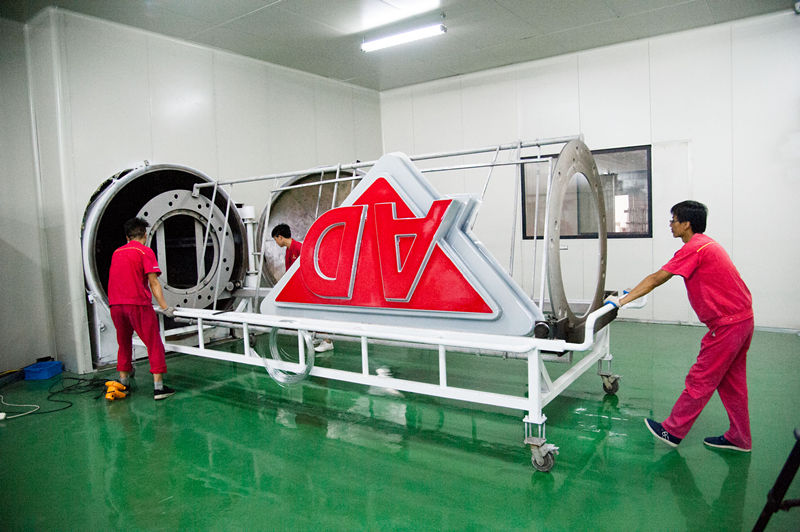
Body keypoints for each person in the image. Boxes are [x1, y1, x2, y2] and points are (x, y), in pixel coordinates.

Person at [606, 201, 753, 452]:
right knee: (732, 383)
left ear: (687, 224)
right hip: (743, 320)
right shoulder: (707, 244)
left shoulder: (695, 248)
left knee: (701, 378)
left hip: (727, 325)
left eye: (673, 220)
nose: (670, 224)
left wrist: (620, 302)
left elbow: (657, 278)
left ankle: (672, 431)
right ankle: (740, 437)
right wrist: (632, 294)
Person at [108, 217, 176, 400]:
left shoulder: (116, 253)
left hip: (115, 305)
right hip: (137, 304)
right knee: (153, 343)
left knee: (124, 342)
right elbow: (154, 282)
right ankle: (159, 388)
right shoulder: (144, 251)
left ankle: (123, 384)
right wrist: (165, 307)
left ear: (127, 237)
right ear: (145, 235)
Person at [271, 223, 333, 353]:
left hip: (309, 289)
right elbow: (289, 273)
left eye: (275, 239)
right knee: (306, 315)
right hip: (300, 290)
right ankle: (317, 336)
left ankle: (328, 341)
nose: (276, 242)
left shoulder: (300, 248)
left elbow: (309, 268)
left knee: (316, 314)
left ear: (280, 237)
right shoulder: (288, 250)